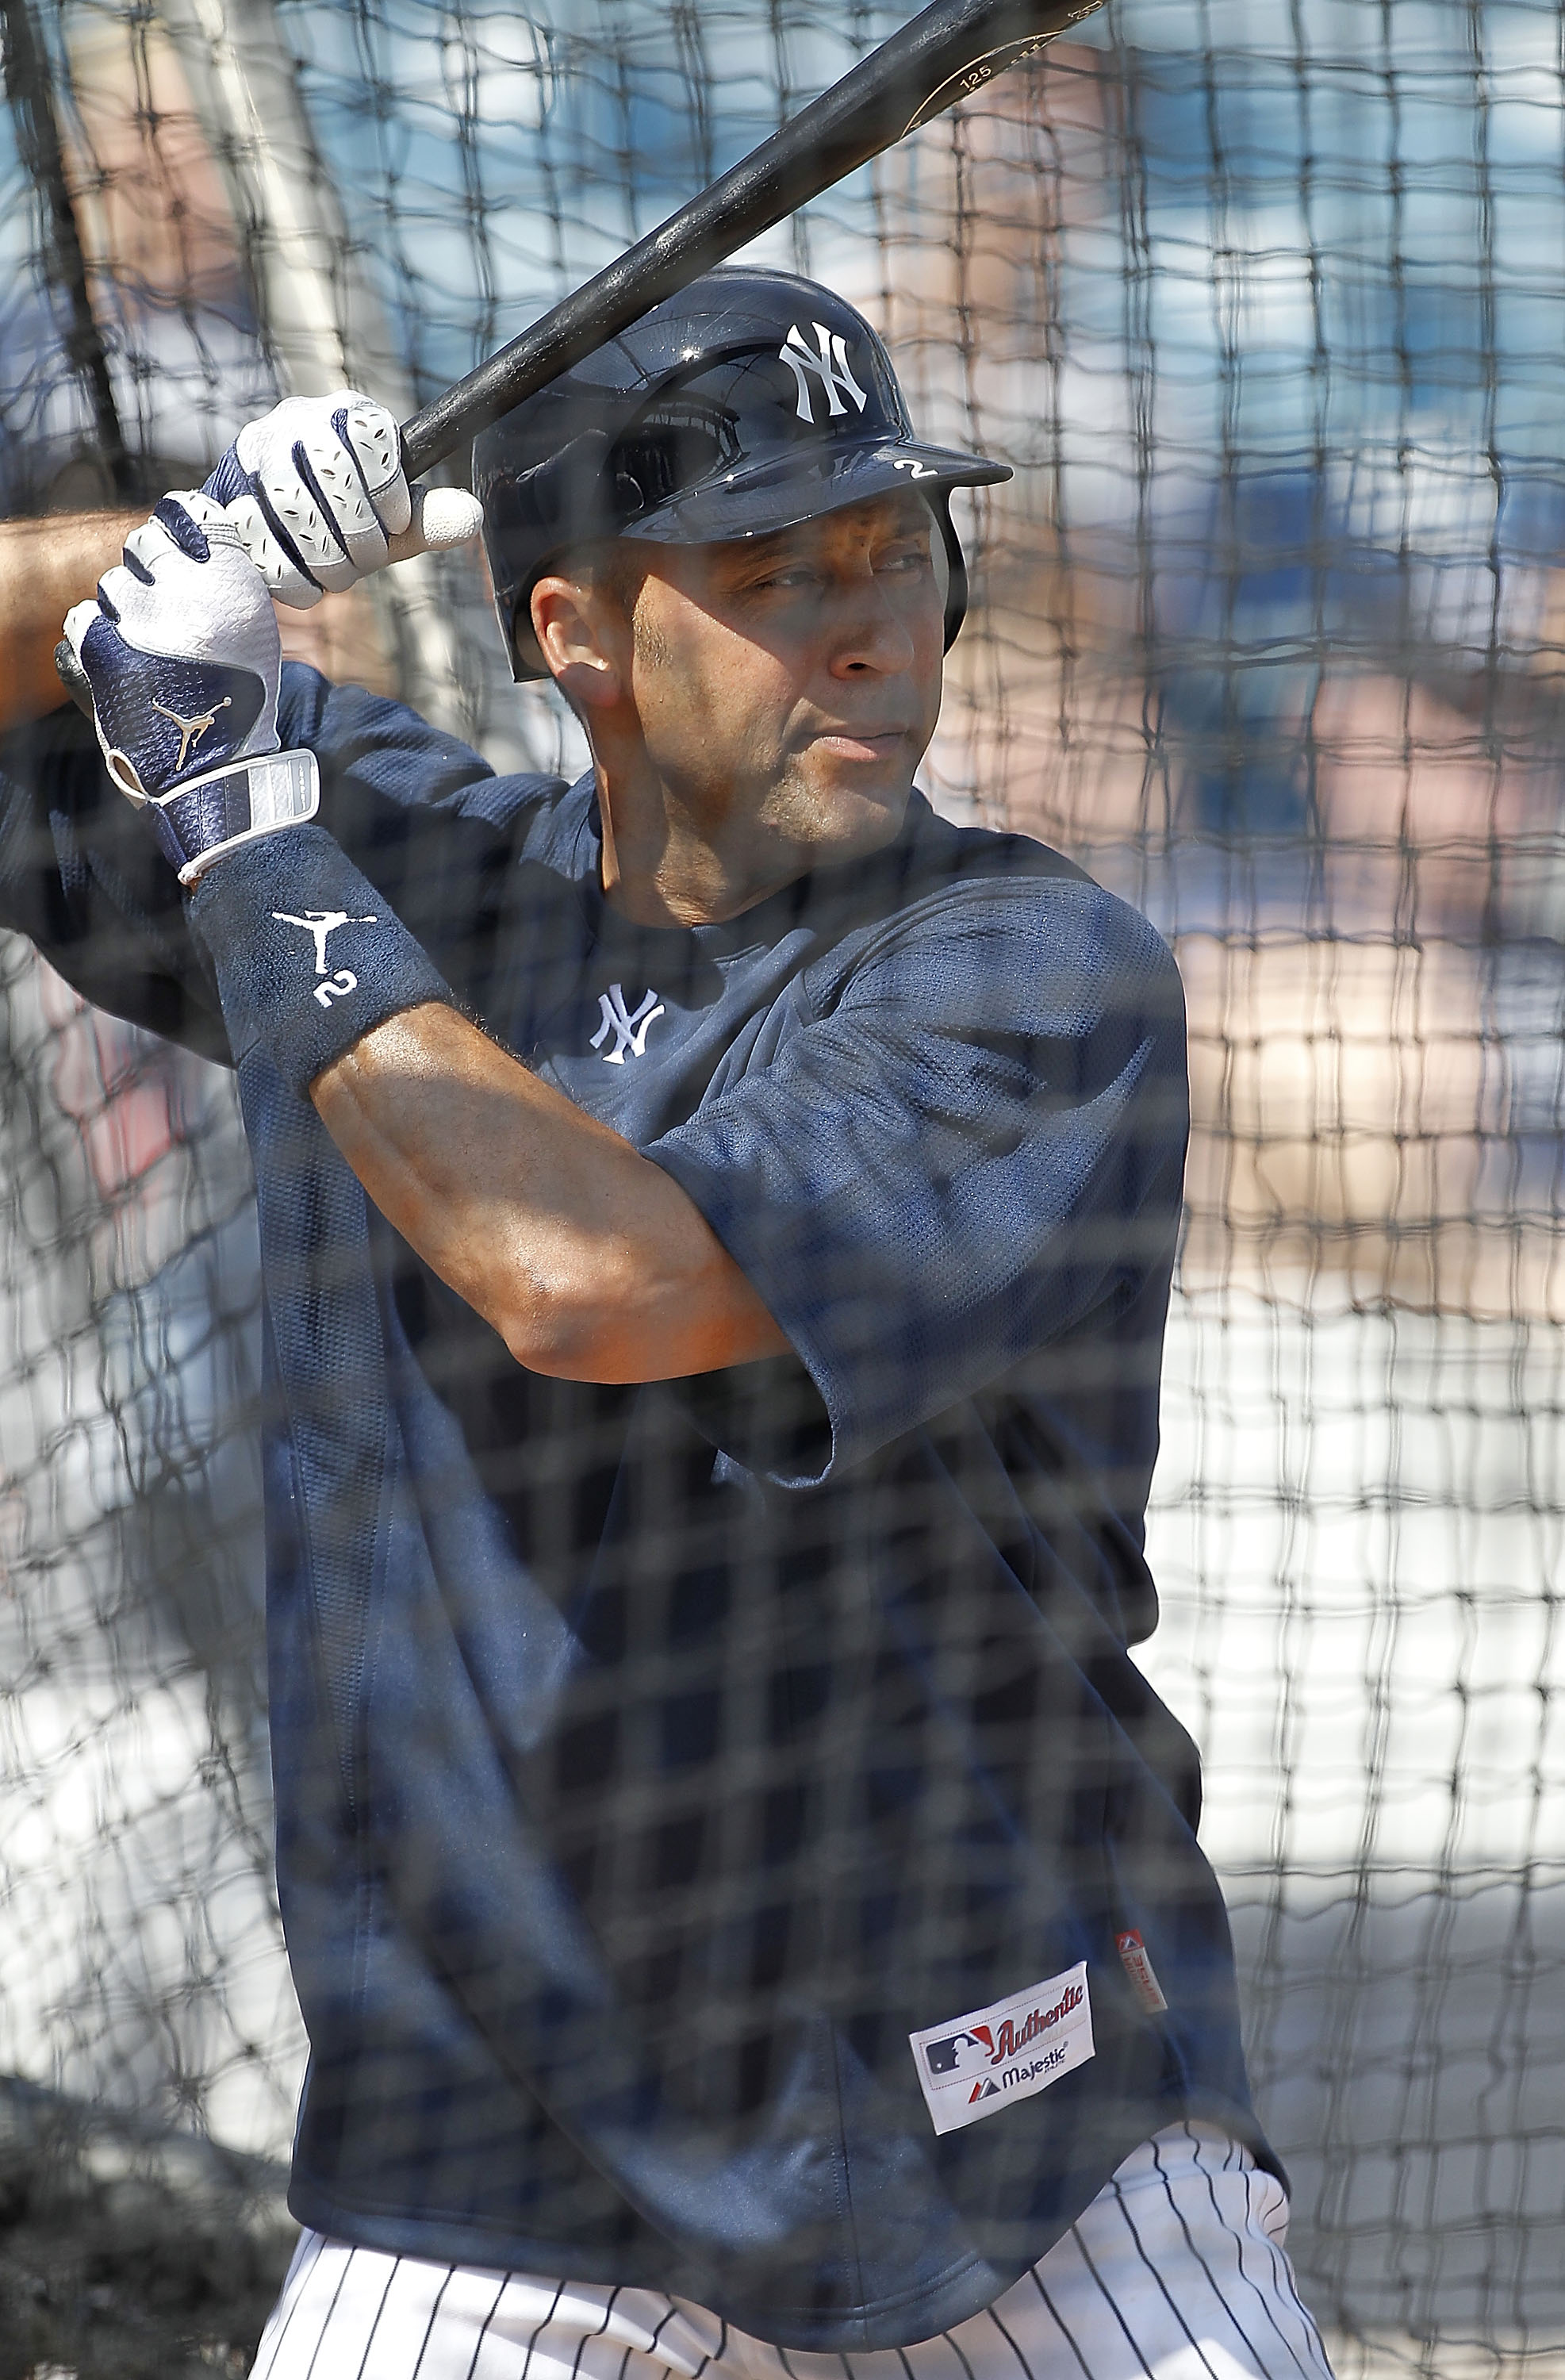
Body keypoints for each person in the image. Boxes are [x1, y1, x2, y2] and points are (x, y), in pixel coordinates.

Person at [1, 269, 1330, 2380]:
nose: (872, 628)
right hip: (494, 2156)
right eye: (770, 571)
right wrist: (186, 555)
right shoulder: (428, 864)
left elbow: (588, 1280)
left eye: (893, 553)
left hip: (1004, 2140)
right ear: (579, 633)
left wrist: (244, 826)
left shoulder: (1029, 974)